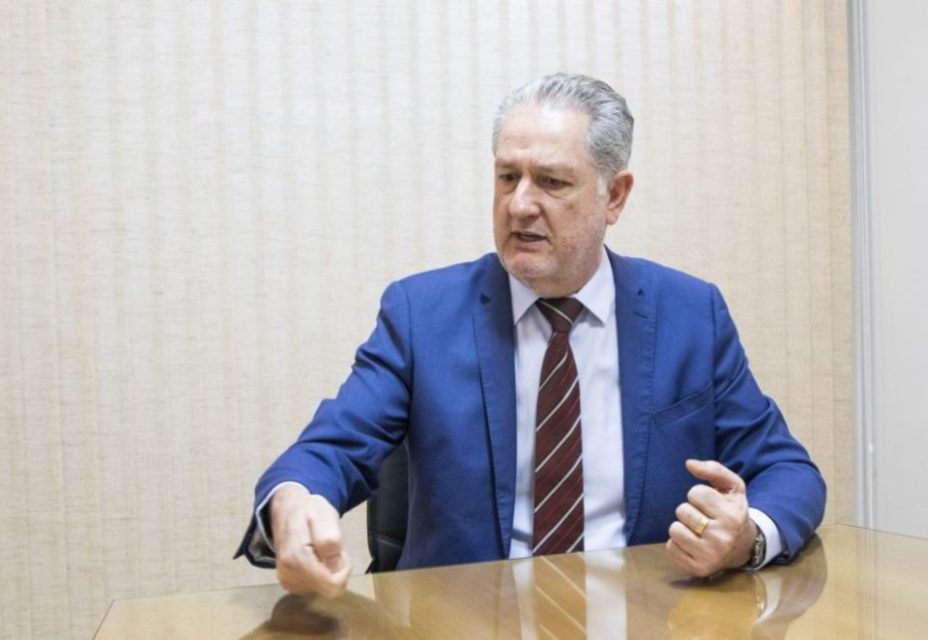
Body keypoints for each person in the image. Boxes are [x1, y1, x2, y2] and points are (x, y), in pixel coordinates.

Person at [235, 72, 826, 598]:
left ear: (615, 196)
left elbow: (788, 471)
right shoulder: (422, 314)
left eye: (552, 181)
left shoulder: (690, 314)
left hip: (646, 616)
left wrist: (747, 537)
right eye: (507, 177)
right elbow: (332, 446)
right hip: (463, 623)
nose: (520, 204)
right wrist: (293, 501)